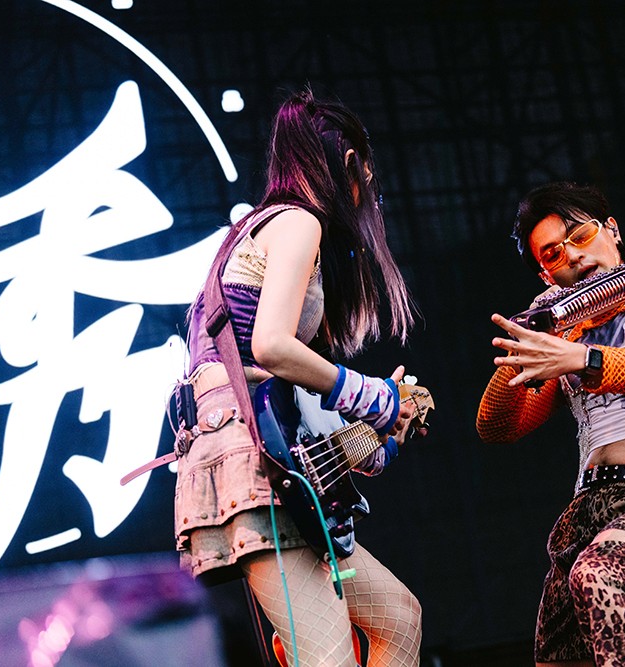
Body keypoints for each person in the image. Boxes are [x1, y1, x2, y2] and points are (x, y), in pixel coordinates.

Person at [176, 90, 422, 666]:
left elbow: (287, 395)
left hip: (265, 455)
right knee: (327, 658)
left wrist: (377, 429)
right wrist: (375, 395)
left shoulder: (264, 228)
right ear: (349, 162)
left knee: (399, 620)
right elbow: (271, 346)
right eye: (365, 172)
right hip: (252, 466)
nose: (367, 188)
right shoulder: (297, 221)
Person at [476, 182, 625, 666]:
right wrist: (539, 330)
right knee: (557, 658)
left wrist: (580, 358)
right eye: (553, 253)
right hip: (586, 513)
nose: (573, 255)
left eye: (581, 235)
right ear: (546, 273)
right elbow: (497, 425)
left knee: (602, 574)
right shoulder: (566, 338)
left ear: (612, 230)